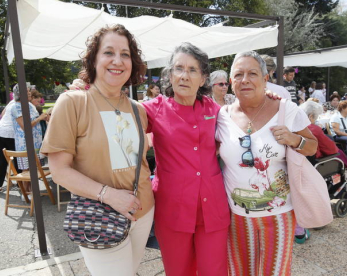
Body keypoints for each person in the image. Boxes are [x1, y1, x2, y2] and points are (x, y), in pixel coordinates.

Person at [41, 24, 154, 275]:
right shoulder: (72, 102)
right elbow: (59, 171)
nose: (118, 60)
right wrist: (109, 195)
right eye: (108, 52)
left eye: (125, 54)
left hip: (143, 211)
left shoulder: (139, 109)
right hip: (99, 215)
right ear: (93, 59)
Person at [215, 51, 317, 275]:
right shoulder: (220, 116)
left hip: (279, 214)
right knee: (240, 272)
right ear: (231, 82)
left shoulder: (286, 110)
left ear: (265, 78)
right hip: (236, 216)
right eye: (238, 75)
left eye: (252, 73)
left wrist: (294, 139)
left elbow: (312, 146)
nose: (245, 80)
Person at [142, 42, 230, 275]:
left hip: (213, 208)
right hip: (173, 209)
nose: (184, 76)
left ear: (203, 79)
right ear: (170, 75)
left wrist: (267, 96)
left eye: (193, 70)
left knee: (215, 270)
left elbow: (245, 119)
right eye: (179, 68)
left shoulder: (215, 110)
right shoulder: (152, 109)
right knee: (179, 271)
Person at [10, 84, 47, 194]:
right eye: (26, 91)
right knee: (26, 169)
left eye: (29, 90)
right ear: (19, 94)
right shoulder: (16, 107)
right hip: (25, 143)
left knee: (35, 168)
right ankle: (26, 192)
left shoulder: (30, 105)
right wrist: (40, 118)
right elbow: (25, 126)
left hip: (36, 142)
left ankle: (32, 190)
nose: (30, 92)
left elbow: (35, 119)